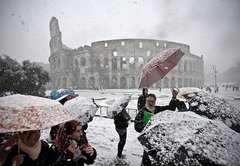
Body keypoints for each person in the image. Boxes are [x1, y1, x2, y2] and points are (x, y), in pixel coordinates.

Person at [134, 89, 180, 166]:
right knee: (147, 158)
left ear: (155, 102)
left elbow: (171, 108)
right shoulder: (142, 112)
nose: (150, 103)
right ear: (146, 101)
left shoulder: (158, 109)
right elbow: (137, 127)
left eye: (152, 101)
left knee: (157, 158)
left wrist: (174, 97)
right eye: (149, 101)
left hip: (158, 139)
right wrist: (147, 126)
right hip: (148, 139)